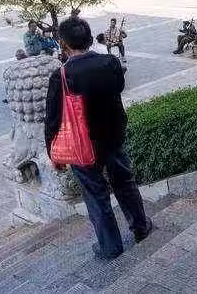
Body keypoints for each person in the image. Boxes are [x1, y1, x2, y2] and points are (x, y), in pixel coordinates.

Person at [45, 17, 152, 260]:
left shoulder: (61, 76)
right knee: (125, 183)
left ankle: (111, 247)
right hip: (113, 137)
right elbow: (119, 87)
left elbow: (52, 119)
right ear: (91, 38)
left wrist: (53, 153)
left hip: (81, 146)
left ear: (63, 44)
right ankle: (141, 227)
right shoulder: (110, 62)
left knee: (95, 196)